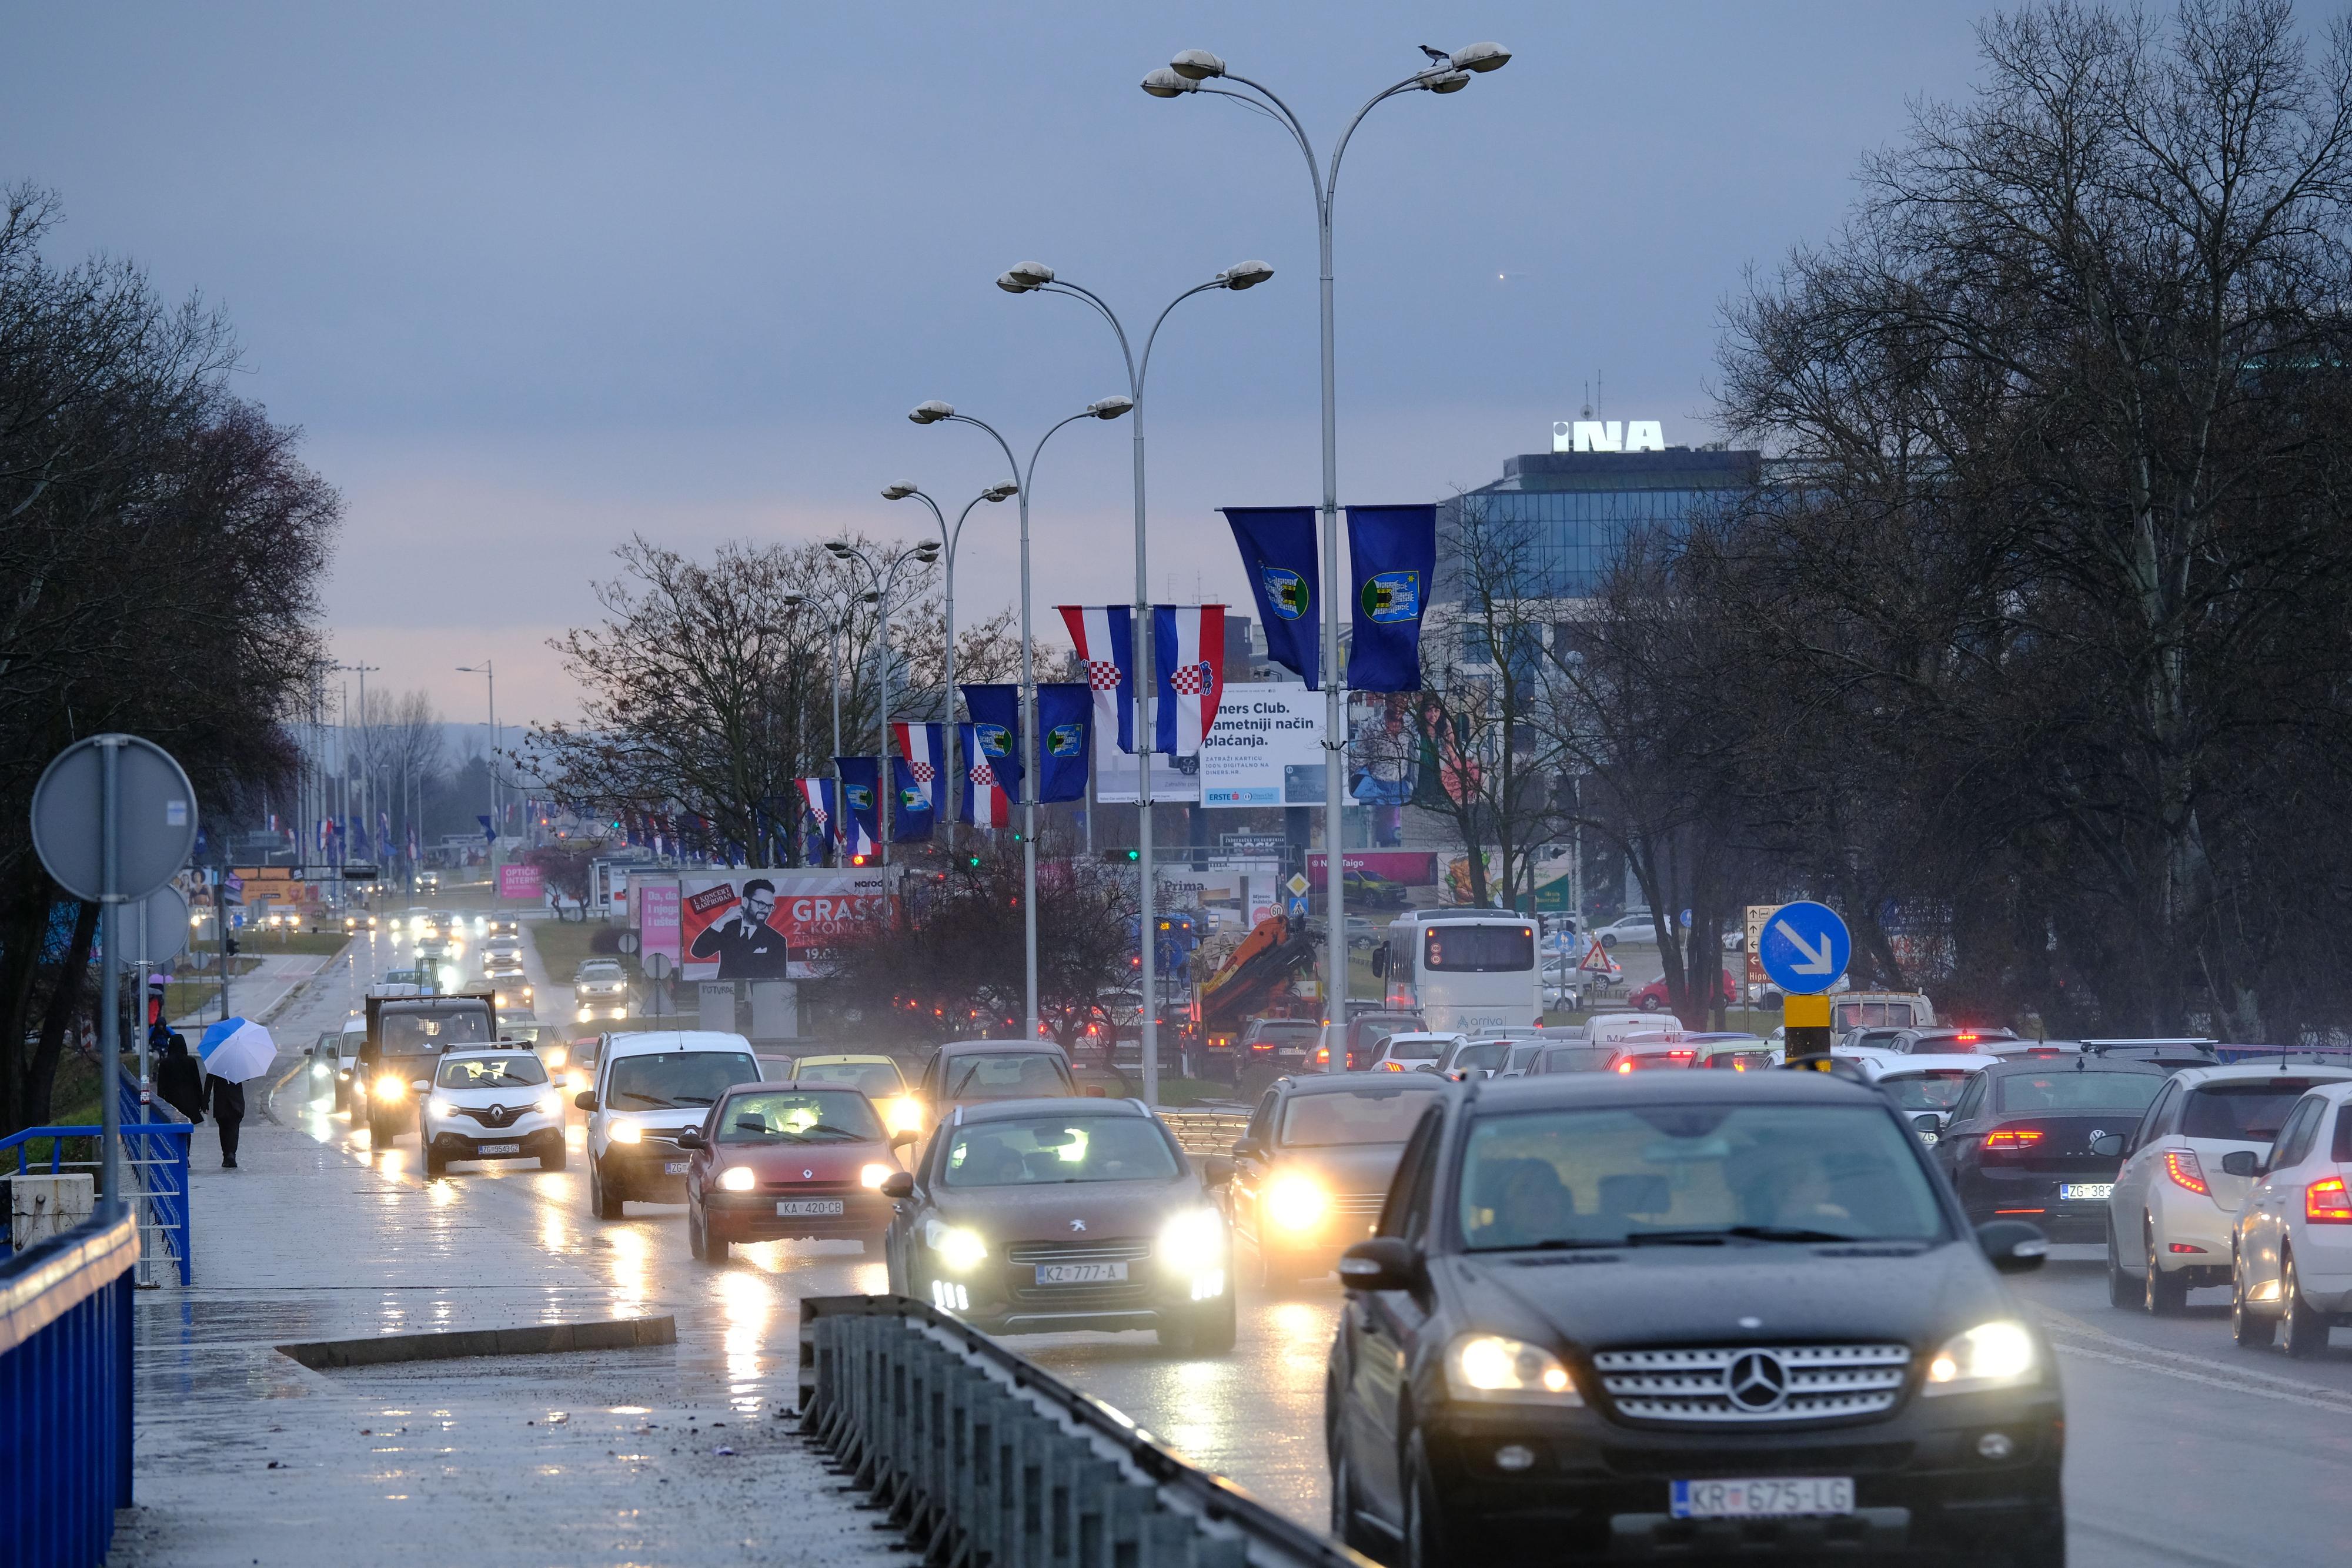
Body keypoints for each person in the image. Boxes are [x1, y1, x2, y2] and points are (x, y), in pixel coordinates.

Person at [687, 878, 790, 979]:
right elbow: (699, 952)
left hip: (757, 995)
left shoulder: (776, 940)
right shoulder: (727, 928)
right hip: (726, 993)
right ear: (745, 902)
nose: (766, 911)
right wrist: (721, 921)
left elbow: (779, 979)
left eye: (770, 906)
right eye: (762, 904)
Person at [156, 1034, 204, 1125]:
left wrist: (161, 1105)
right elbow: (197, 1084)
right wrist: (202, 1103)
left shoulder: (165, 1064)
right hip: (190, 1102)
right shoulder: (191, 1061)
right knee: (188, 1128)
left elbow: (161, 1087)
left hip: (172, 1102)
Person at [206, 1069, 247, 1168]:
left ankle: (227, 1155)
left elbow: (209, 1083)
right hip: (236, 1103)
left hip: (221, 1102)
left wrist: (205, 1102)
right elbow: (247, 1077)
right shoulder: (237, 1063)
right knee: (234, 1129)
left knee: (224, 1130)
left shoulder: (216, 1065)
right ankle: (231, 1154)